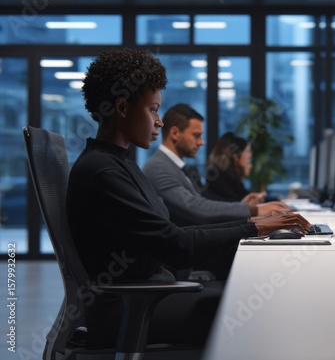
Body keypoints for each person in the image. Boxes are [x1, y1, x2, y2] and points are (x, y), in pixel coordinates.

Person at [67, 47, 311, 348]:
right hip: (130, 310)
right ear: (121, 107)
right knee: (249, 307)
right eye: (153, 109)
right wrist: (256, 227)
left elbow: (173, 233)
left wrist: (253, 220)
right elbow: (177, 246)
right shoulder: (103, 171)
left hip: (146, 297)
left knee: (248, 296)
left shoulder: (120, 164)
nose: (159, 121)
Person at [142, 103, 291, 227]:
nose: (201, 142)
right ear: (175, 133)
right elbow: (196, 208)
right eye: (196, 135)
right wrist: (254, 210)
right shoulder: (158, 167)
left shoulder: (178, 167)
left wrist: (243, 206)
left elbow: (202, 204)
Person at [203, 131, 253, 202]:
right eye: (247, 151)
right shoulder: (216, 176)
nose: (250, 155)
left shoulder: (232, 179)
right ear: (235, 156)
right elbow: (232, 203)